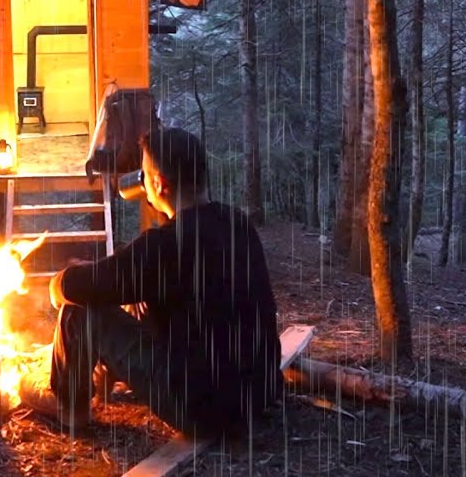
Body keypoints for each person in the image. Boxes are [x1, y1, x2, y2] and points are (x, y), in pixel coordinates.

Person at [18, 127, 282, 440]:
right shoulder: (238, 223)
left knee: (79, 312)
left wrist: (57, 283)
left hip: (203, 410)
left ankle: (69, 406)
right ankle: (103, 379)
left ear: (159, 183)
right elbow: (146, 278)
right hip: (257, 395)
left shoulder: (165, 245)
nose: (141, 181)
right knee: (135, 297)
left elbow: (74, 288)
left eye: (144, 174)